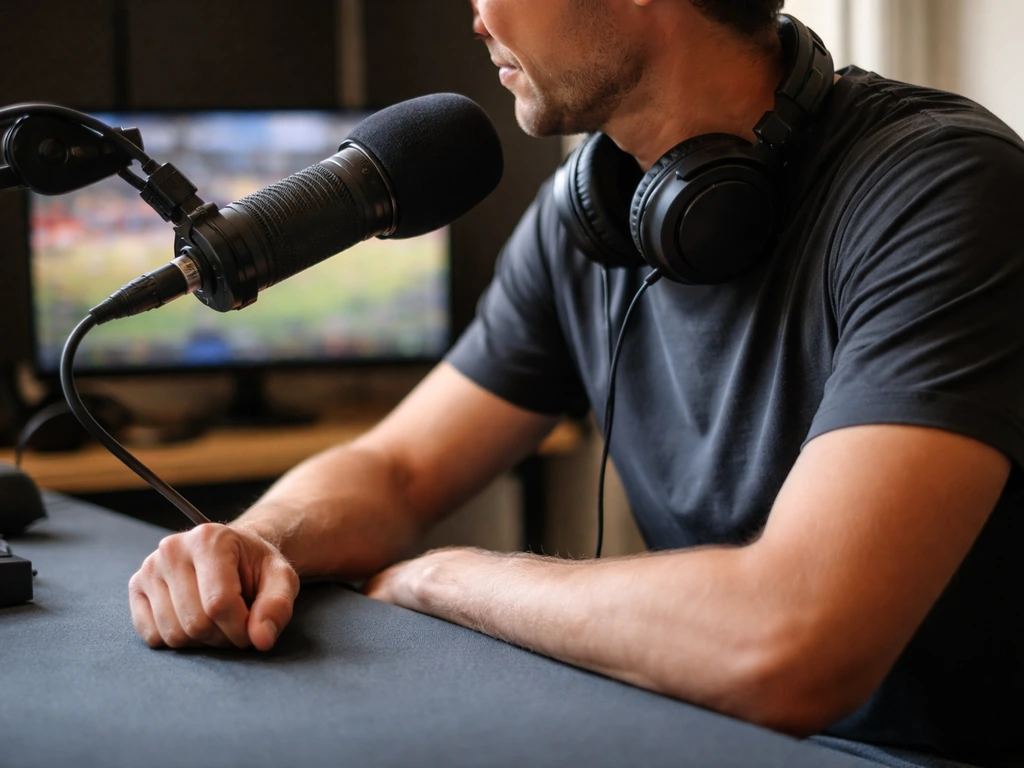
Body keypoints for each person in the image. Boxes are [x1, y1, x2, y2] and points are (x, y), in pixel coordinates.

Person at [128, 2, 1024, 767]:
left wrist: (444, 578)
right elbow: (396, 468)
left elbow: (791, 643)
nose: (475, 16)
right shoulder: (591, 215)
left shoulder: (944, 189)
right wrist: (255, 541)